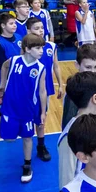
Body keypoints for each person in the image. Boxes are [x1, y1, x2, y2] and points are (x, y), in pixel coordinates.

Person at [0, 34, 47, 183]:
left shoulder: (41, 68)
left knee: (27, 137)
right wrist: (2, 84)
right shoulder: (14, 61)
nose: (41, 51)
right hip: (10, 108)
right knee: (8, 139)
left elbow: (42, 91)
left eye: (42, 47)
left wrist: (43, 112)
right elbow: (3, 66)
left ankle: (27, 164)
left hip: (28, 111)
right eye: (38, 48)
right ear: (27, 49)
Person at [27, 18, 62, 162]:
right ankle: (27, 146)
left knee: (42, 119)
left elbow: (56, 66)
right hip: (28, 89)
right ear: (29, 31)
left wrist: (60, 84)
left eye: (42, 27)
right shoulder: (26, 48)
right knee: (28, 119)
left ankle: (41, 146)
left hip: (44, 89)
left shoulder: (51, 46)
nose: (41, 30)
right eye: (36, 28)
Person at [61, 44, 96, 130]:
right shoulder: (73, 94)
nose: (93, 72)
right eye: (88, 67)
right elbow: (68, 126)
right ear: (77, 65)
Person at [0, 14, 22, 87]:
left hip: (19, 72)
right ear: (3, 25)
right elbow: (2, 64)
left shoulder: (19, 37)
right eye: (11, 23)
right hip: (6, 75)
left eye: (15, 23)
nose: (14, 25)